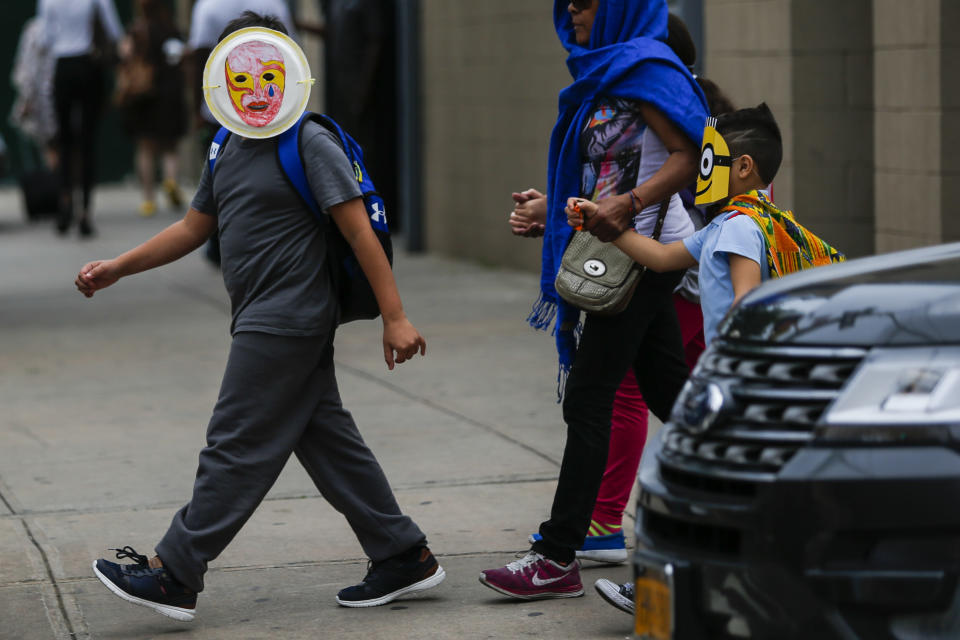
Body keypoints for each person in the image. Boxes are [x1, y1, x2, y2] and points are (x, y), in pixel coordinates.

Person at [75, 12, 443, 622]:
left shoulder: (308, 142)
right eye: (239, 77)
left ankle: (176, 571)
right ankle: (403, 552)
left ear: (290, 73)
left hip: (286, 320)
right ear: (220, 78)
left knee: (235, 444)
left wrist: (395, 316)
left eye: (266, 75)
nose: (254, 90)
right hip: (262, 316)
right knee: (328, 442)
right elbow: (195, 227)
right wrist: (119, 266)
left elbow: (361, 235)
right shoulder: (226, 143)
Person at [479, 0, 707, 600]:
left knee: (589, 394)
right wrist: (555, 210)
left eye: (583, 2)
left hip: (646, 254)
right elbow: (604, 174)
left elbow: (690, 157)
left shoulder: (649, 69)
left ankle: (555, 556)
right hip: (622, 249)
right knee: (671, 396)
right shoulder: (603, 69)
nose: (572, 14)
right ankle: (752, 505)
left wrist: (627, 206)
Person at [185, 0, 297, 266]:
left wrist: (198, 106)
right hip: (255, 115)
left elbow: (200, 56)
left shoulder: (208, 7)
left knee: (224, 177)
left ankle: (219, 243)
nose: (257, 89)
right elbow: (293, 50)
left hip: (220, 111)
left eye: (267, 77)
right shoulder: (275, 3)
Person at [39, 0, 123, 237]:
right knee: (88, 143)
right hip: (89, 65)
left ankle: (65, 203)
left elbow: (45, 38)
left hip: (62, 67)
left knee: (64, 141)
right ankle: (85, 212)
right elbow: (114, 31)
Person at [118, 0, 188, 217]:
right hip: (169, 93)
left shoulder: (136, 30)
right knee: (170, 147)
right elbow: (178, 57)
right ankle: (170, 180)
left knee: (146, 148)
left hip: (143, 96)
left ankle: (148, 199)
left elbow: (124, 55)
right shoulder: (171, 29)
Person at [10, 14, 59, 171]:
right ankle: (63, 189)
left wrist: (26, 98)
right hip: (46, 99)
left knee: (53, 147)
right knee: (59, 147)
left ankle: (61, 188)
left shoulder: (33, 29)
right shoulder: (34, 29)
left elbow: (26, 70)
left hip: (48, 99)